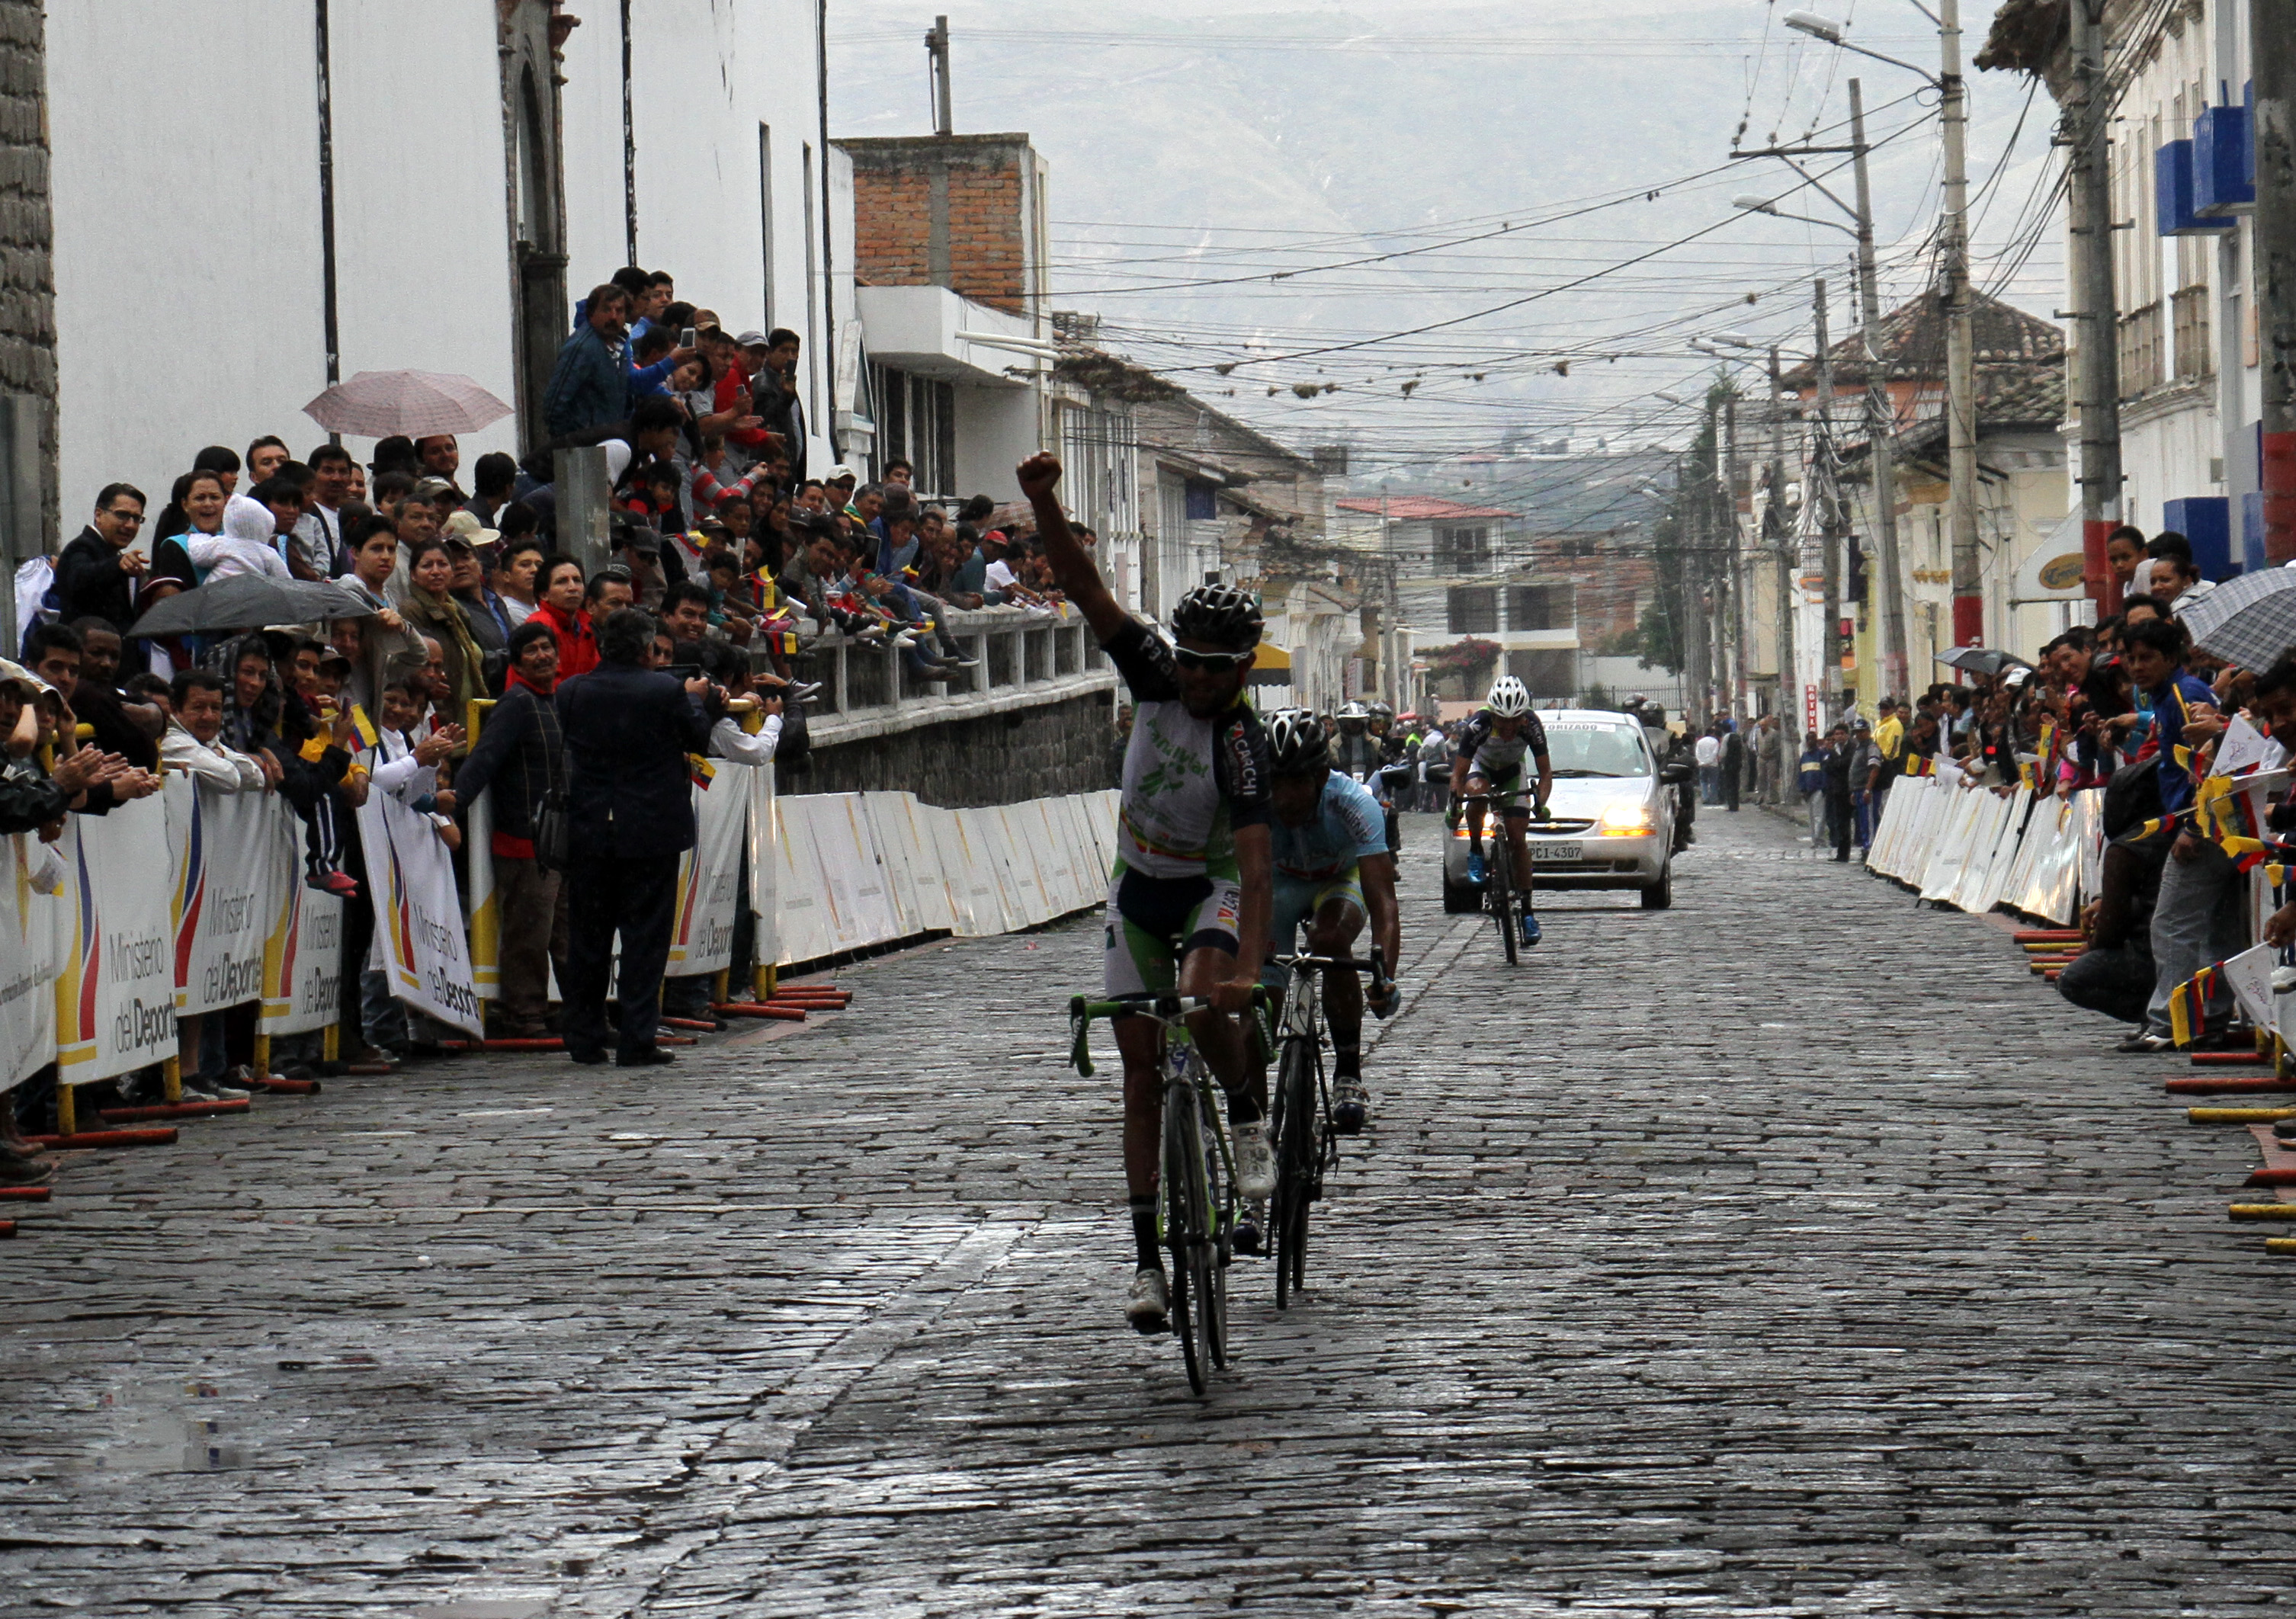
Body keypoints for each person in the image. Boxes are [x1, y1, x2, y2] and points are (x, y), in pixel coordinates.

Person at [1017, 448, 1274, 1338]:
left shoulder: (1242, 744)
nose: (1198, 680)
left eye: (1217, 669)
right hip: (1137, 890)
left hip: (1209, 888)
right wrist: (1043, 503)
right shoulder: (1154, 675)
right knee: (1138, 1074)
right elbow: (1086, 588)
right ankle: (1147, 1263)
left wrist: (1248, 969)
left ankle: (1247, 1117)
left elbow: (1255, 869)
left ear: (1245, 670)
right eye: (1191, 663)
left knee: (1202, 1002)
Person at [554, 607, 721, 1067]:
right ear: (648, 649)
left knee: (588, 939)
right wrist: (695, 700)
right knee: (644, 939)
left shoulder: (571, 691)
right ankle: (637, 1036)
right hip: (649, 829)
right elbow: (697, 737)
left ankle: (584, 1035)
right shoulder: (664, 690)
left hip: (591, 827)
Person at [1257, 709, 1401, 1136]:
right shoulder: (1250, 804)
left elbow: (1383, 901)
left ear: (1321, 776)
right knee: (1264, 994)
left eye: (1296, 783)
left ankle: (1349, 1072)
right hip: (1279, 885)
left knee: (1330, 938)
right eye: (1274, 783)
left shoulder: (1353, 803)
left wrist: (1384, 974)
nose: (1284, 798)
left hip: (1339, 879)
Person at [2127, 616, 2243, 1053]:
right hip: (2216, 822)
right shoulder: (2171, 696)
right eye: (2131, 659)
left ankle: (2168, 1021)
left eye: (2147, 658)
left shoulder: (2185, 695)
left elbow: (2211, 765)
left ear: (2170, 658)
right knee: (2215, 924)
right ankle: (2210, 1016)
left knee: (2173, 922)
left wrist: (2194, 826)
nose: (2137, 667)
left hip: (2205, 823)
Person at [453, 620, 569, 1039]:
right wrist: (452, 805)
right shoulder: (515, 704)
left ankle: (579, 1010)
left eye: (546, 648)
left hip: (562, 842)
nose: (542, 656)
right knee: (529, 935)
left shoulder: (561, 701)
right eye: (531, 650)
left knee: (567, 935)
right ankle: (525, 1012)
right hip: (524, 842)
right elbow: (483, 760)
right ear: (517, 663)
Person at [1447, 675, 1554, 949]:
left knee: (1518, 839)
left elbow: (1545, 773)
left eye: (1514, 720)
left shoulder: (1532, 725)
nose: (1508, 727)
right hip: (1481, 767)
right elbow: (1459, 774)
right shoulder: (1478, 725)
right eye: (1502, 721)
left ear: (1523, 717)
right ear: (1492, 715)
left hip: (1512, 771)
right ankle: (1475, 849)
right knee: (1477, 792)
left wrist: (1540, 804)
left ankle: (1528, 913)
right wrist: (1455, 807)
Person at [52, 484, 148, 633]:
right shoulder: (81, 547)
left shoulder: (114, 555)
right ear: (98, 515)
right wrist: (118, 565)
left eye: (136, 518)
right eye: (122, 515)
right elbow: (81, 577)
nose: (130, 525)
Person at [545, 282, 633, 443]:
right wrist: (573, 441)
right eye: (606, 310)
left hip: (611, 442)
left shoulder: (621, 346)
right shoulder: (582, 348)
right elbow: (555, 403)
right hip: (586, 446)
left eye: (619, 311)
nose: (613, 317)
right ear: (591, 313)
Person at [1821, 722, 1858, 861]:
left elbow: (1848, 764)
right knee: (1841, 822)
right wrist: (1837, 764)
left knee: (1856, 821)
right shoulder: (1833, 750)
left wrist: (1837, 764)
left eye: (1842, 734)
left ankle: (1861, 849)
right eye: (1837, 734)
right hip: (1837, 790)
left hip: (1851, 789)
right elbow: (1827, 767)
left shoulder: (1853, 748)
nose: (1839, 736)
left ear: (1847, 735)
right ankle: (1842, 854)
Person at [1797, 729, 1828, 845]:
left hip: (1818, 789)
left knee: (1819, 816)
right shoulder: (1804, 756)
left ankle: (1819, 839)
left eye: (1813, 739)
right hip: (1807, 791)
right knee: (1811, 816)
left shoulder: (1821, 755)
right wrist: (1802, 789)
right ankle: (1814, 839)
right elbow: (1801, 773)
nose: (1811, 742)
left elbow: (1824, 772)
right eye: (1809, 739)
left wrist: (1823, 787)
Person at [1720, 721, 1745, 813]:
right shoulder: (1737, 736)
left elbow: (1723, 752)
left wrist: (1721, 760)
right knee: (1736, 783)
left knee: (1729, 784)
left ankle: (1731, 805)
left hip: (1729, 763)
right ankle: (1736, 804)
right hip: (1737, 763)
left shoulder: (1726, 738)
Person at [1693, 724, 1720, 804]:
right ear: (1712, 733)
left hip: (1702, 765)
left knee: (1703, 782)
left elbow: (1697, 753)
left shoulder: (1700, 742)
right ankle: (1713, 798)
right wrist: (1709, 762)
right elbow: (1715, 753)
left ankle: (1705, 797)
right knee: (1713, 782)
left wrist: (1701, 762)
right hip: (1713, 765)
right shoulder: (1715, 741)